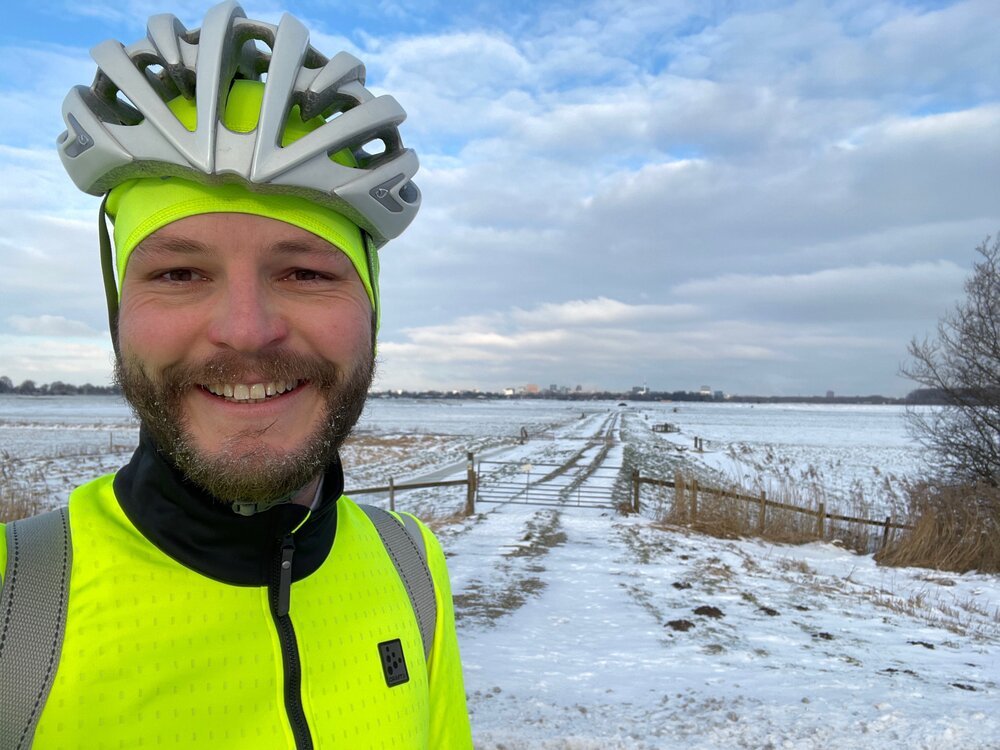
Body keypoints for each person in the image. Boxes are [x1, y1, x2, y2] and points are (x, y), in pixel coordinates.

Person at [0, 2, 472, 747]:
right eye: (182, 272)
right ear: (118, 307)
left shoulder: (412, 567)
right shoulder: (15, 606)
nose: (246, 330)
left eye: (305, 271)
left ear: (371, 309)